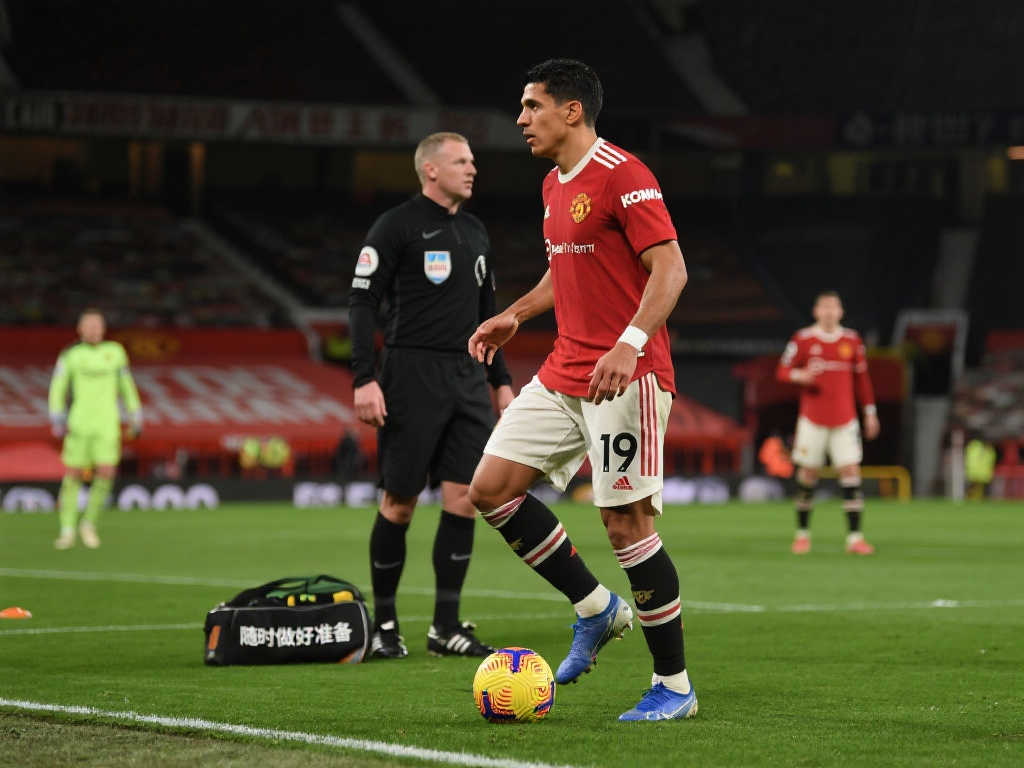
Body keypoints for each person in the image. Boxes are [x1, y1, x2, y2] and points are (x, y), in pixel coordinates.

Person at [467, 59, 696, 722]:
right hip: (568, 368)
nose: (521, 119)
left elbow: (671, 269)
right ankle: (596, 609)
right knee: (491, 489)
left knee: (625, 522)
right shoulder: (551, 184)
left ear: (572, 110)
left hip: (628, 373)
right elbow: (564, 269)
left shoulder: (624, 174)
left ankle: (675, 686)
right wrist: (518, 312)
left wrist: (629, 342)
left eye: (532, 105)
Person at [349, 132, 515, 660]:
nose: (472, 168)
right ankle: (386, 625)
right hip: (409, 373)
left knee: (465, 498)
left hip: (468, 376)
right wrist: (363, 377)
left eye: (473, 159)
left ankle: (446, 626)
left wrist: (501, 383)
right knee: (399, 501)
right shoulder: (395, 226)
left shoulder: (474, 230)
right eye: (461, 161)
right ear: (430, 170)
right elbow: (361, 303)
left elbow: (490, 317)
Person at [776, 291, 880, 555]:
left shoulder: (852, 341)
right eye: (825, 307)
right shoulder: (803, 339)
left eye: (834, 307)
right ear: (816, 311)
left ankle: (855, 538)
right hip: (812, 420)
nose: (829, 311)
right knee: (808, 475)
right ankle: (802, 535)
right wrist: (800, 375)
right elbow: (783, 370)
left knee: (851, 472)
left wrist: (870, 412)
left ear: (841, 312)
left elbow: (863, 380)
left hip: (845, 420)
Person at [48, 308, 142, 549]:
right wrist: (57, 416)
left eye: (97, 325)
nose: (93, 329)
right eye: (88, 325)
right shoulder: (70, 355)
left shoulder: (115, 352)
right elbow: (58, 386)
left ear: (104, 328)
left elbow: (126, 385)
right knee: (74, 476)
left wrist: (135, 413)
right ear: (80, 329)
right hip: (79, 424)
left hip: (108, 424)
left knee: (107, 472)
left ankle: (88, 523)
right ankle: (67, 529)